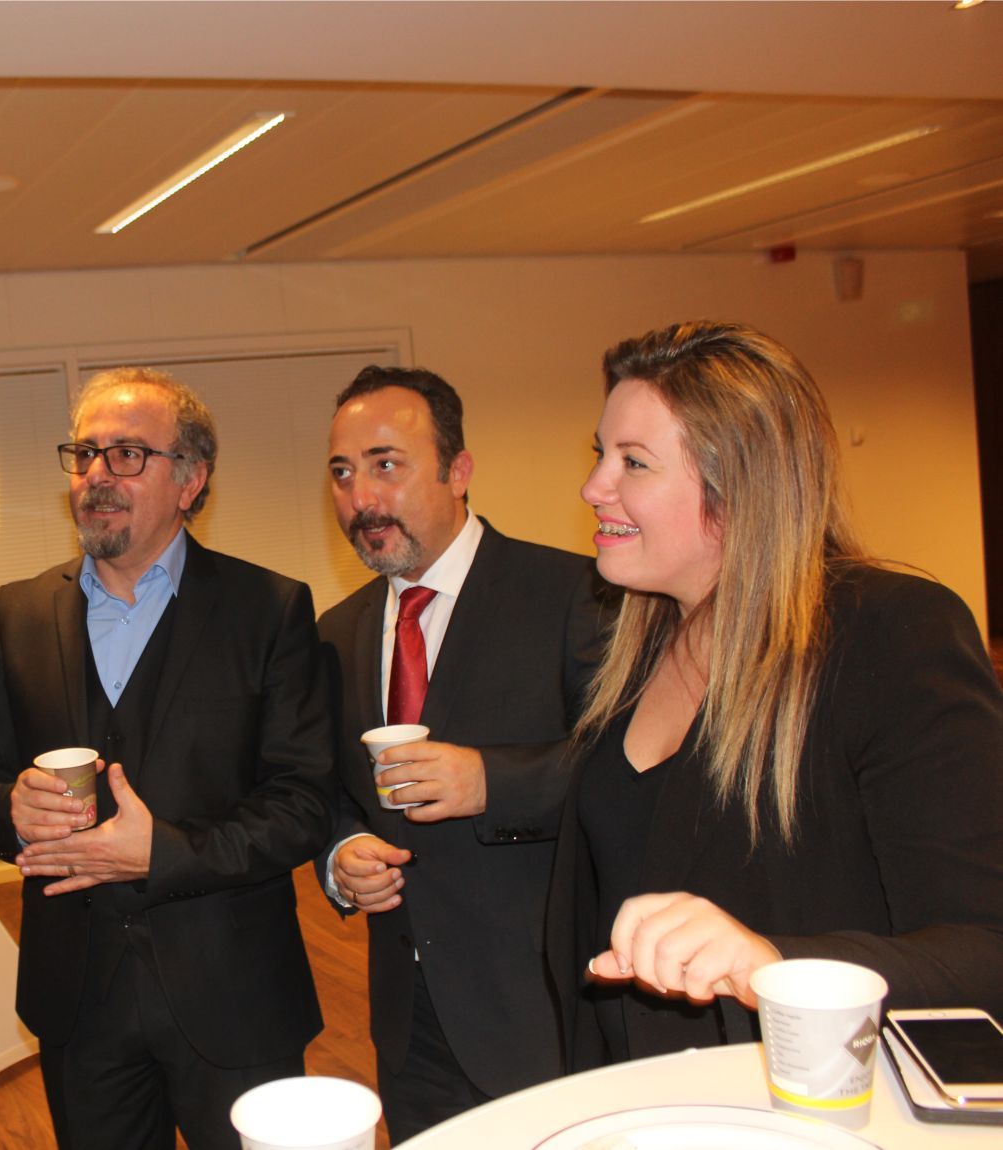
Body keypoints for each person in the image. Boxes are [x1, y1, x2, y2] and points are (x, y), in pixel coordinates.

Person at [548, 320, 1003, 1070]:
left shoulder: (888, 634)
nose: (593, 487)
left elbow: (983, 950)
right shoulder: (637, 646)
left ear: (740, 485)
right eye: (599, 454)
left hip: (806, 1096)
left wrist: (771, 965)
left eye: (632, 462)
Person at [0, 367, 336, 1150]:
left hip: (233, 994)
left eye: (127, 454)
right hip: (77, 999)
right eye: (84, 453)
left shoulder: (268, 610)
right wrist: (13, 812)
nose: (96, 475)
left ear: (190, 480)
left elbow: (300, 804)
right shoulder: (20, 613)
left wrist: (160, 854)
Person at [316, 366, 608, 1136]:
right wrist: (341, 854)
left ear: (458, 471)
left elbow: (630, 769)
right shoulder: (336, 634)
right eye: (341, 473)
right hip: (406, 1019)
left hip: (542, 1007)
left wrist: (492, 781)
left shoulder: (574, 595)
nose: (360, 497)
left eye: (385, 464)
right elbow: (330, 792)